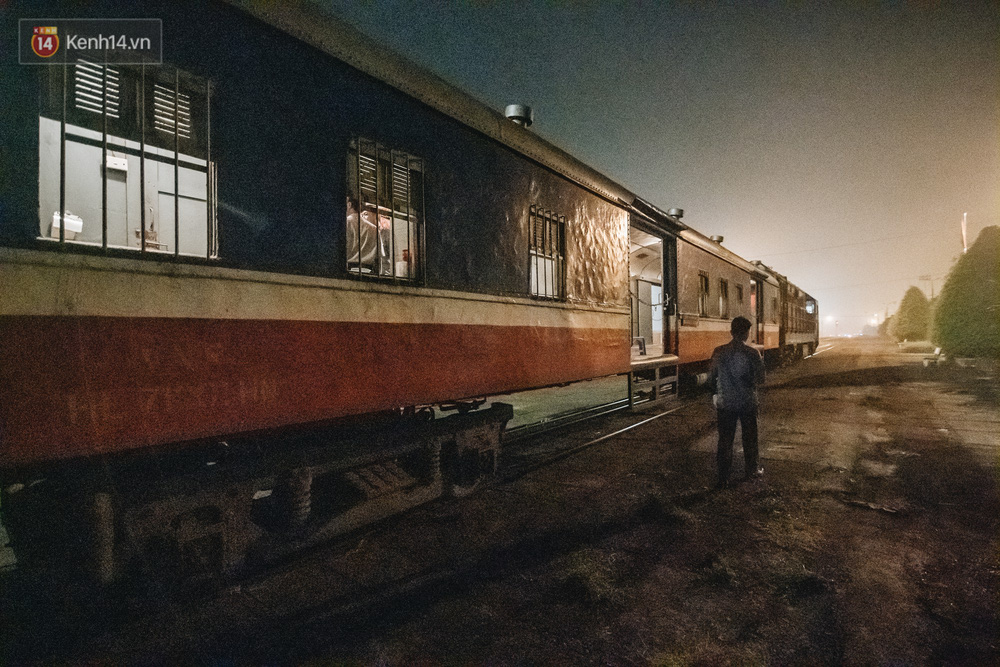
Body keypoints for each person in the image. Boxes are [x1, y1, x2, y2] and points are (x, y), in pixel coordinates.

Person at [709, 316, 766, 489]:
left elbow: (711, 378)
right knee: (750, 438)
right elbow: (761, 379)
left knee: (725, 440)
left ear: (731, 332)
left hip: (726, 402)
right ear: (747, 333)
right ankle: (752, 470)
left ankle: (723, 477)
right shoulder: (753, 353)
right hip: (747, 402)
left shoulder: (719, 352)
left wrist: (716, 395)